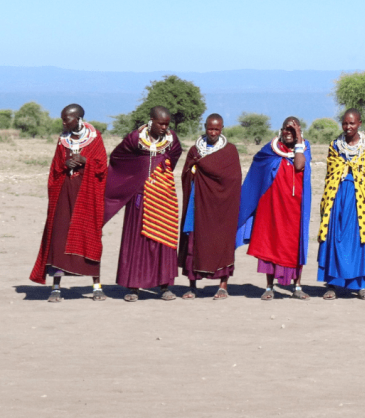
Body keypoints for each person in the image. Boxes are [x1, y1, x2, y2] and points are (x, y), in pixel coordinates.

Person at [104, 106, 184, 302]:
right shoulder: (135, 139)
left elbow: (173, 158)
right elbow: (117, 157)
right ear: (151, 121)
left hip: (164, 196)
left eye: (167, 124)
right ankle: (133, 287)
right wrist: (135, 175)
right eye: (161, 124)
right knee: (137, 240)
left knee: (163, 239)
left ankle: (164, 286)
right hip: (140, 196)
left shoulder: (171, 141)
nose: (165, 128)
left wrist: (159, 172)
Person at [29, 104, 109, 302]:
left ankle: (97, 286)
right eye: (63, 119)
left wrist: (84, 160)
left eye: (67, 119)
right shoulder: (62, 140)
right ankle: (56, 288)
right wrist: (65, 165)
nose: (64, 123)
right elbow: (55, 167)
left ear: (79, 119)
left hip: (87, 195)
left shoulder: (94, 137)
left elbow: (102, 167)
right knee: (59, 238)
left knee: (90, 236)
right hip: (64, 195)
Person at [238, 117, 312, 301]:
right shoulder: (270, 149)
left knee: (296, 245)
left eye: (292, 130)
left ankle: (297, 286)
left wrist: (299, 140)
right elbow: (257, 168)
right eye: (285, 129)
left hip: (295, 207)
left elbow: (299, 164)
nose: (288, 133)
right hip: (272, 205)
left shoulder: (304, 147)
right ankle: (269, 287)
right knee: (270, 243)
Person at [316, 109, 365, 300]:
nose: (348, 127)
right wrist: (346, 169)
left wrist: (354, 171)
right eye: (345, 123)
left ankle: (360, 286)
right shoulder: (335, 145)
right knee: (335, 237)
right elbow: (331, 171)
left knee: (359, 239)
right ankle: (333, 285)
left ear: (359, 123)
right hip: (338, 195)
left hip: (361, 198)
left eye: (352, 123)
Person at [178, 114, 242, 300]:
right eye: (210, 129)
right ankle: (192, 285)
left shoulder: (229, 151)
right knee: (193, 241)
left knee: (221, 242)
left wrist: (204, 166)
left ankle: (222, 286)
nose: (213, 132)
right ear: (205, 127)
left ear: (222, 129)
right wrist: (195, 171)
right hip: (196, 203)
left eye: (217, 129)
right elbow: (186, 173)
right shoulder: (195, 150)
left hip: (221, 206)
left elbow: (234, 178)